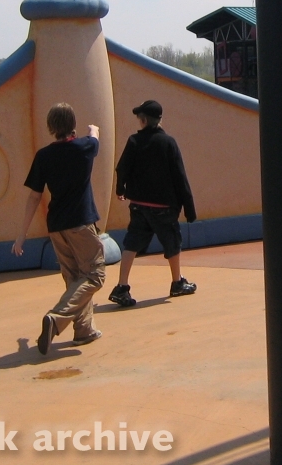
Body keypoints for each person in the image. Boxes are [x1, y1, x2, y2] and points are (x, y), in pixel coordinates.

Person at [13, 103, 106, 355]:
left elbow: (34, 196)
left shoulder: (44, 156)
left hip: (57, 227)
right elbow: (95, 139)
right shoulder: (84, 147)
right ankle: (56, 317)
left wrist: (21, 235)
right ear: (72, 124)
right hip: (81, 223)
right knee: (95, 275)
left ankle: (84, 330)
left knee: (75, 278)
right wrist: (94, 129)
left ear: (51, 127)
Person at [108, 100, 197, 307]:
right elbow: (180, 177)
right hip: (164, 208)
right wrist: (189, 208)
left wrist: (121, 190)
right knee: (172, 243)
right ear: (160, 120)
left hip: (138, 205)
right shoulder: (168, 143)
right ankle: (177, 282)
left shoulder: (133, 141)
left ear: (143, 120)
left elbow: (122, 168)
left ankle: (122, 286)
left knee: (132, 243)